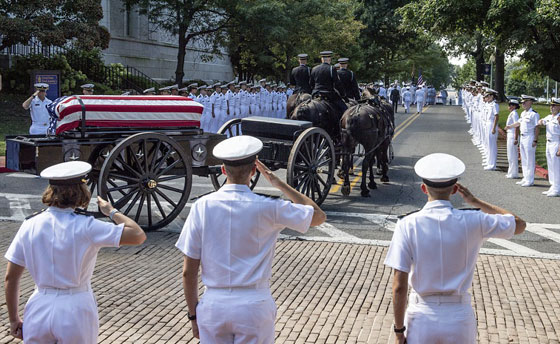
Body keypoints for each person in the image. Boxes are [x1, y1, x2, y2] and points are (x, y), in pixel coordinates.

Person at [176, 135, 326, 343]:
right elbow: (318, 216)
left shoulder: (202, 206)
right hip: (253, 304)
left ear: (223, 170)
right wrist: (279, 183)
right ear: (254, 171)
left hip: (214, 305)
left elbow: (188, 271)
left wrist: (193, 315)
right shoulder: (269, 207)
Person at [385, 153, 526, 344]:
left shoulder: (407, 224)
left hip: (422, 315)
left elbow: (399, 287)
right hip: (459, 317)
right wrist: (476, 202)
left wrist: (399, 331)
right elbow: (519, 225)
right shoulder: (474, 220)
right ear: (455, 189)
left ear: (423, 188)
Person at [4, 161, 146, 343]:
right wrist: (111, 212)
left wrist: (14, 319)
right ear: (81, 191)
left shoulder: (29, 224)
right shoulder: (87, 225)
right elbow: (138, 235)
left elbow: (11, 277)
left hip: (39, 304)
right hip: (75, 306)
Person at [506, 95, 540, 187]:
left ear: (530, 102)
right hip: (523, 137)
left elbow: (537, 127)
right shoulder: (523, 113)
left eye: (525, 101)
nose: (523, 103)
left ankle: (530, 180)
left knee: (529, 160)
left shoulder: (534, 114)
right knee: (524, 159)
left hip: (530, 137)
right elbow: (518, 123)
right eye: (522, 102)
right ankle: (525, 178)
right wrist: (510, 126)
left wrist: (535, 140)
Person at [309, 51, 347, 117]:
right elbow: (337, 84)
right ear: (329, 59)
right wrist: (343, 95)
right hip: (329, 94)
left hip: (316, 94)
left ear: (322, 59)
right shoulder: (332, 68)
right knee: (345, 109)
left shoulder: (314, 69)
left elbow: (311, 83)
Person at [536, 98, 560, 197]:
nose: (552, 107)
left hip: (556, 143)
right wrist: (542, 121)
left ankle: (557, 187)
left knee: (556, 166)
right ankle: (553, 185)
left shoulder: (559, 118)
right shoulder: (549, 117)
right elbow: (539, 122)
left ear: (559, 107)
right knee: (550, 165)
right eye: (551, 105)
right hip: (548, 143)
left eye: (554, 105)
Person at [482, 89, 500, 171]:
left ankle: (492, 164)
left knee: (492, 145)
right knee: (488, 144)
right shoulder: (488, 104)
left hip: (491, 124)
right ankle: (489, 162)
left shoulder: (494, 105)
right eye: (486, 96)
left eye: (488, 96)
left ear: (492, 96)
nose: (487, 97)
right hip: (487, 124)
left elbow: (496, 116)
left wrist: (493, 128)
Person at [503, 99, 520, 179]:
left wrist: (516, 138)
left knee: (513, 155)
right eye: (509, 105)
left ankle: (514, 173)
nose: (509, 107)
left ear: (515, 106)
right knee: (510, 155)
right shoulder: (512, 113)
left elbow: (517, 126)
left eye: (511, 105)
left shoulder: (514, 114)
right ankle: (511, 172)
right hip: (509, 134)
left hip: (513, 135)